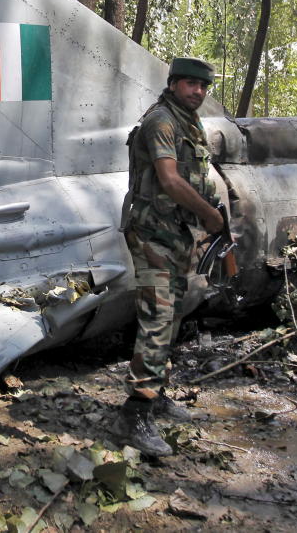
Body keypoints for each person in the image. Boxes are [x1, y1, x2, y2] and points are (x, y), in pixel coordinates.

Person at [116, 56, 224, 457]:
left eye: (203, 86)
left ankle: (156, 393)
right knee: (158, 316)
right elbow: (170, 179)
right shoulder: (162, 120)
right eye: (190, 84)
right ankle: (136, 413)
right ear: (175, 83)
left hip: (173, 230)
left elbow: (193, 175)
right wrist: (209, 214)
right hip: (151, 232)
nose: (198, 92)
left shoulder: (187, 121)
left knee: (173, 311)